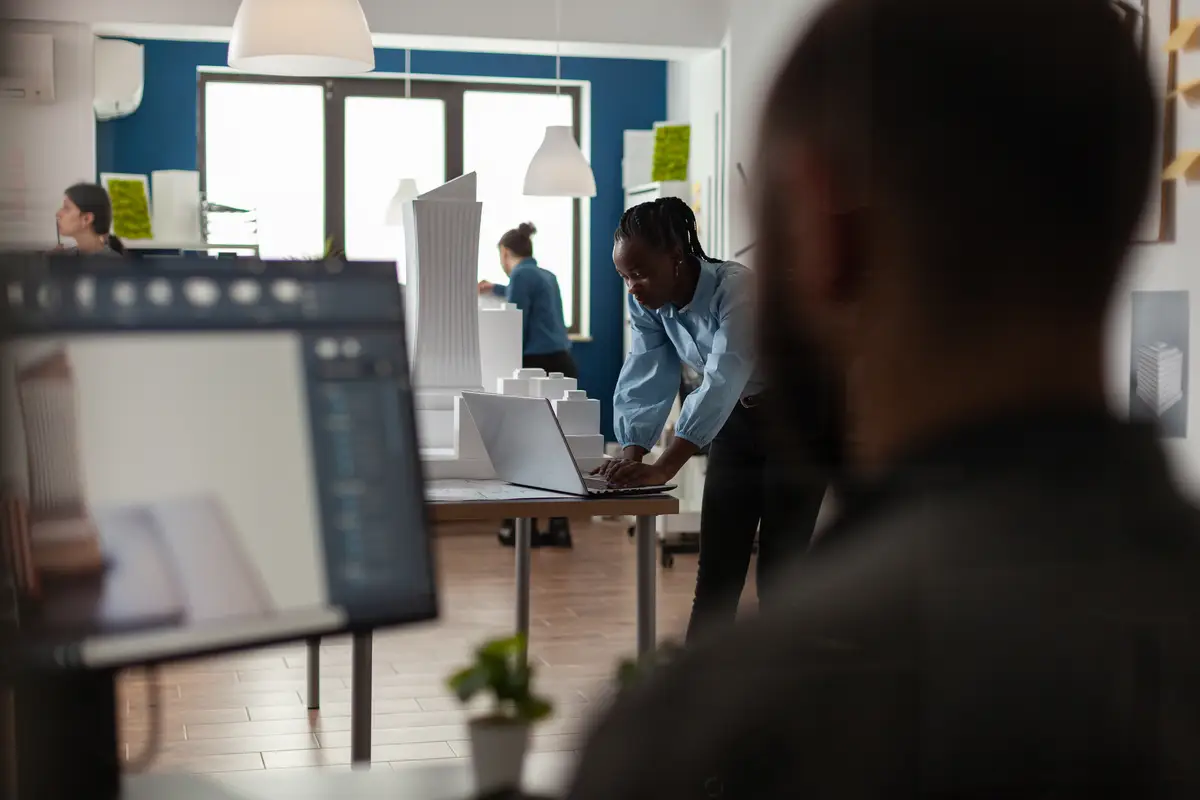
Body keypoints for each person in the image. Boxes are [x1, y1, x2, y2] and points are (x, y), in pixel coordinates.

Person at [567, 0, 1200, 797]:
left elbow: (723, 371)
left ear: (823, 236)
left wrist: (666, 453)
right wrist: (638, 444)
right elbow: (651, 367)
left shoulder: (688, 738)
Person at [593, 197, 829, 645]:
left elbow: (723, 377)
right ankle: (701, 689)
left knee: (782, 568)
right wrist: (631, 453)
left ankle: (780, 690)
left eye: (640, 273)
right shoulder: (650, 305)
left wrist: (665, 467)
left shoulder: (737, 290)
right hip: (739, 422)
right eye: (625, 276)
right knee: (718, 565)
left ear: (676, 259)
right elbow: (646, 370)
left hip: (799, 422)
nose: (633, 288)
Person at [479, 222, 576, 549]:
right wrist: (494, 288)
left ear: (505, 253)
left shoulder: (520, 276)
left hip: (535, 366)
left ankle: (522, 526)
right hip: (562, 362)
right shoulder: (546, 275)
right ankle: (560, 525)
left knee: (527, 444)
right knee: (558, 446)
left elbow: (515, 321)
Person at [53, 183, 126, 257]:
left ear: (87, 219)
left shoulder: (115, 264)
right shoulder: (64, 258)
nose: (58, 213)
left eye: (66, 208)